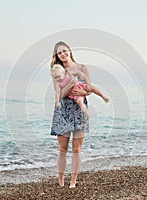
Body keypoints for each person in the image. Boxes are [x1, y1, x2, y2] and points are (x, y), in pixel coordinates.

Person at [50, 41, 98, 188]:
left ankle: (73, 181)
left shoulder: (83, 68)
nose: (63, 54)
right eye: (59, 53)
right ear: (57, 56)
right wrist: (71, 83)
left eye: (64, 51)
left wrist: (83, 92)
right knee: (62, 148)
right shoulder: (57, 70)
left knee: (77, 149)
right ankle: (61, 181)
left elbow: (89, 90)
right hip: (63, 111)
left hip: (79, 110)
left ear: (69, 51)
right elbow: (59, 95)